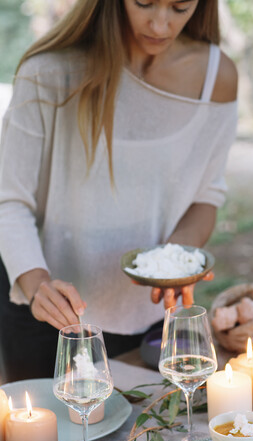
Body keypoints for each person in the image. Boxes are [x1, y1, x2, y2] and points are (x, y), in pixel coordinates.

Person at [0, 0, 238, 382]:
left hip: (153, 318)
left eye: (180, 7)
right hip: (48, 313)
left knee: (147, 438)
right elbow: (9, 200)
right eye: (144, 2)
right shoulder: (48, 72)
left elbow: (206, 196)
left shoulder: (216, 76)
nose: (160, 24)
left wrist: (176, 265)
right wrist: (37, 285)